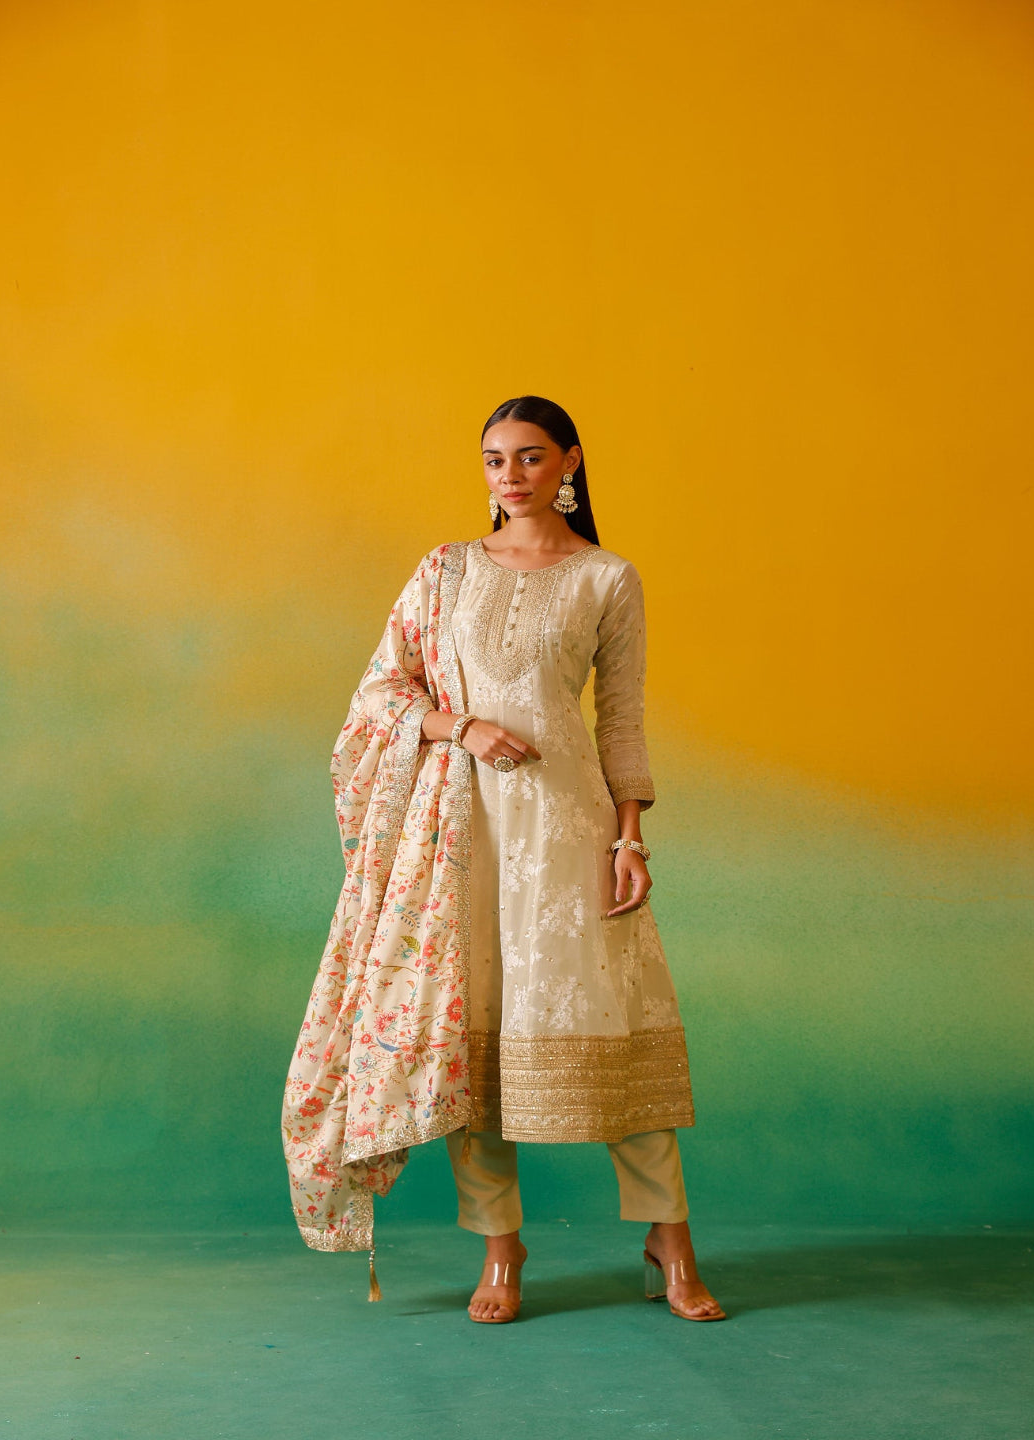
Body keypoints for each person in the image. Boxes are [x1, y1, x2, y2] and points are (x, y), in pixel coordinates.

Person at [281, 395, 724, 1324]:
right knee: (469, 1036)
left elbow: (623, 719)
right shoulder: (445, 571)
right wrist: (461, 726)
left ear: (570, 462)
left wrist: (630, 837)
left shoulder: (607, 578)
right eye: (493, 460)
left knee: (615, 1027)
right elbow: (379, 694)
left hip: (570, 830)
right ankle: (500, 1248)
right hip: (458, 833)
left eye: (528, 456)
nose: (510, 475)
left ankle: (671, 1240)